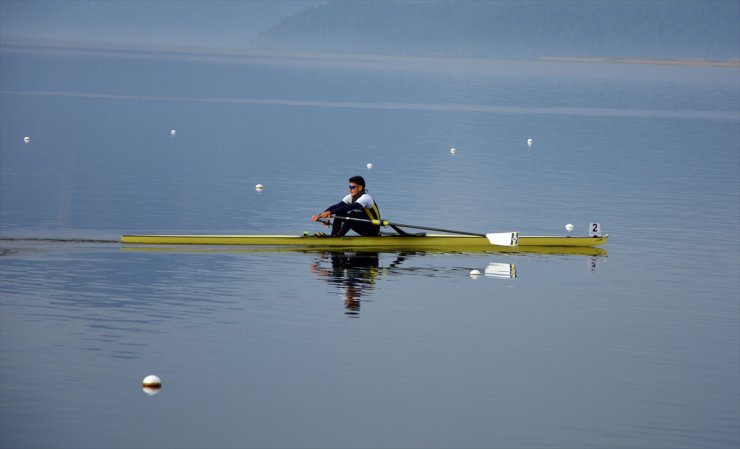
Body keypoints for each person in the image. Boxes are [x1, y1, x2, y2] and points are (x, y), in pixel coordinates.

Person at [311, 176, 381, 236]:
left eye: (352, 187)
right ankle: (334, 235)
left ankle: (338, 237)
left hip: (373, 228)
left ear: (360, 188)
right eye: (349, 187)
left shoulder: (366, 198)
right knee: (339, 213)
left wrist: (330, 212)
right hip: (363, 226)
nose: (349, 189)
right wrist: (320, 215)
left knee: (352, 214)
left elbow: (350, 207)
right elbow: (337, 207)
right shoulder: (350, 197)